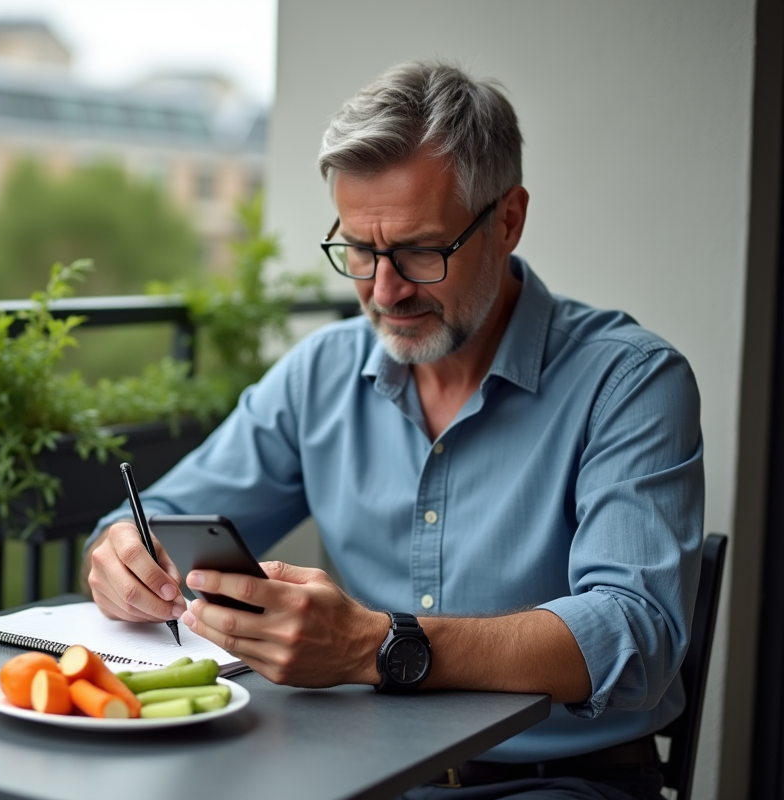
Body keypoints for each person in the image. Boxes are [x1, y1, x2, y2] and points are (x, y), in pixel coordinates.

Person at [83, 60, 702, 800]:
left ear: (507, 220)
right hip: (353, 771)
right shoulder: (320, 373)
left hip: (559, 782)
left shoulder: (630, 382)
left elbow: (635, 633)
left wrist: (376, 647)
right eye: (359, 251)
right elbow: (147, 525)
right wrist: (122, 557)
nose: (383, 290)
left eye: (418, 250)